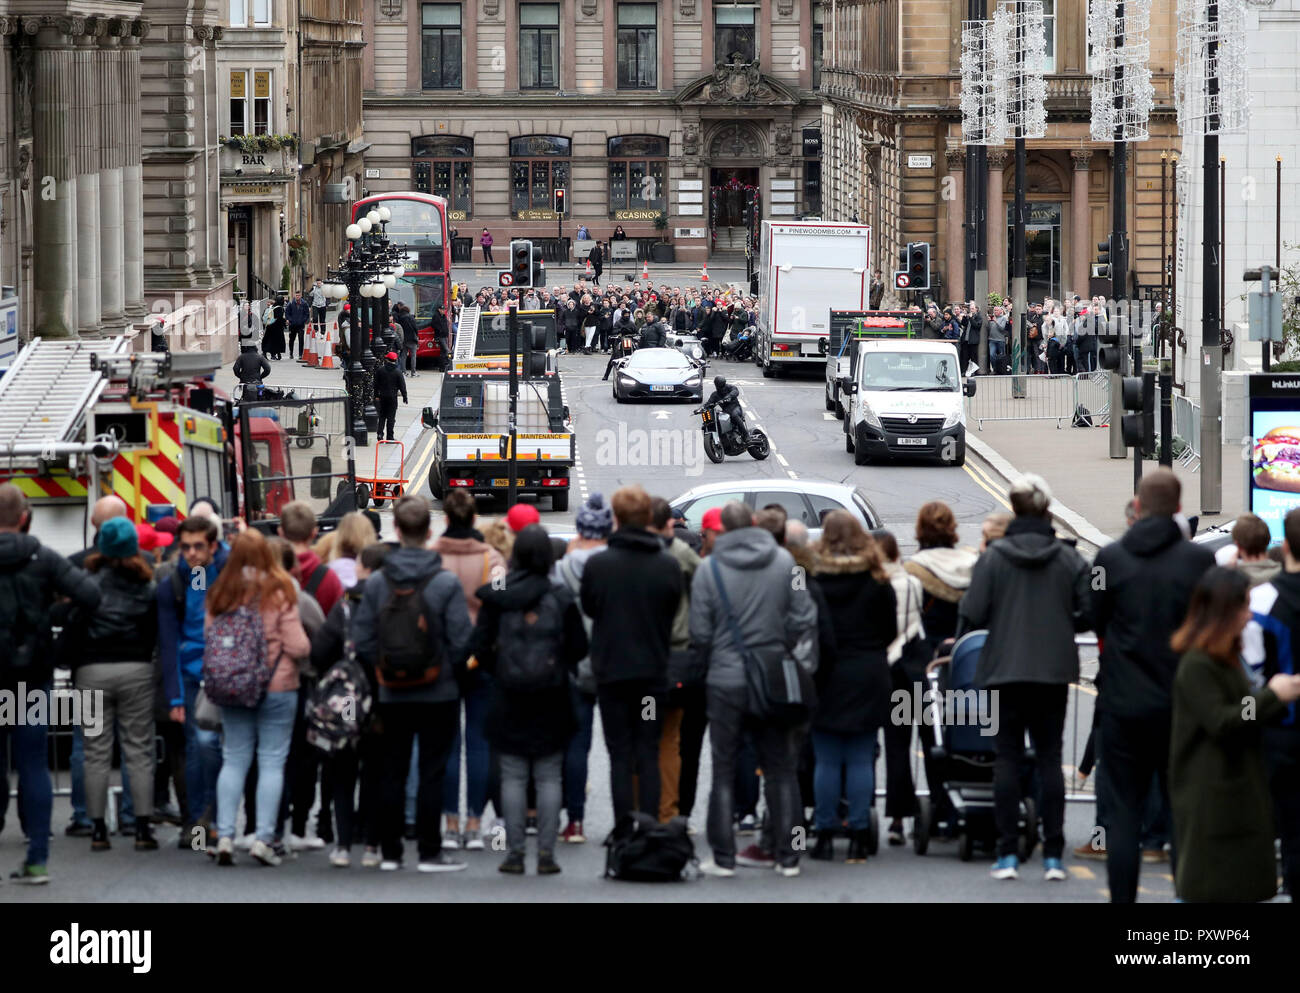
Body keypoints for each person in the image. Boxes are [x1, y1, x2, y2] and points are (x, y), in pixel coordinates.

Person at [959, 474, 1092, 882]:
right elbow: (1088, 614)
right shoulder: (1070, 559)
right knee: (1050, 759)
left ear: (1013, 508)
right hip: (1052, 671)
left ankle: (1006, 855)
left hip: (1004, 669)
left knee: (1007, 759)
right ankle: (1053, 855)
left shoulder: (994, 557)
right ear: (1047, 508)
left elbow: (973, 612)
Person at [1090, 469, 1215, 902]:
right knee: (1182, 809)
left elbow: (1095, 614)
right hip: (1182, 703)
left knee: (1123, 812)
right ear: (1179, 509)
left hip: (1124, 703)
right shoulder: (1200, 562)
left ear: (1138, 507)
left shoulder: (1108, 559)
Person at [690, 501, 819, 878]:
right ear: (753, 523)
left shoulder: (707, 570)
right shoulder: (784, 563)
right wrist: (786, 655)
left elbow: (699, 635)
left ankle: (725, 859)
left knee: (724, 769)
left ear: (721, 531)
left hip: (725, 681)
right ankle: (789, 856)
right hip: (774, 676)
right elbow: (804, 617)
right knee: (781, 769)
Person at [352, 495, 473, 872]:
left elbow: (363, 640)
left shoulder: (376, 583)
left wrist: (381, 673)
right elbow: (461, 641)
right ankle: (429, 851)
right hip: (439, 690)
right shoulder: (445, 582)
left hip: (391, 691)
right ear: (429, 531)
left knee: (393, 769)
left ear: (398, 531)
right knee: (432, 772)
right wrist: (454, 676)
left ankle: (390, 853)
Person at [1170, 567, 1300, 902]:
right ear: (1223, 613)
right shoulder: (1198, 664)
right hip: (1212, 795)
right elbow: (1221, 719)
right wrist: (1273, 696)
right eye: (1242, 607)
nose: (1248, 616)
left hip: (1234, 790)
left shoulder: (1226, 659)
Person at [472, 525, 588, 875]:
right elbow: (579, 648)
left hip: (509, 693)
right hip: (552, 693)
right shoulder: (560, 596)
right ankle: (547, 854)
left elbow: (480, 646)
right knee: (550, 775)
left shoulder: (500, 595)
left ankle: (515, 853)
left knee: (513, 776)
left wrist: (500, 670)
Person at [0, 484, 102, 883]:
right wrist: (53, 615)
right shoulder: (44, 559)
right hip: (32, 677)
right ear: (26, 517)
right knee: (33, 765)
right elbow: (91, 596)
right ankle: (37, 858)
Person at [53, 518, 160, 853]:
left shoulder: (86, 584)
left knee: (95, 752)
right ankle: (142, 826)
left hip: (92, 670)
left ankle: (97, 829)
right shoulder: (148, 583)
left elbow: (70, 622)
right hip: (136, 670)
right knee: (139, 749)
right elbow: (155, 628)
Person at [579, 485, 683, 824]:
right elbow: (670, 612)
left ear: (618, 519)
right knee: (648, 752)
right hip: (652, 677)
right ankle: (650, 827)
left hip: (612, 677)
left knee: (620, 756)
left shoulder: (599, 565)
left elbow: (591, 609)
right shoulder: (667, 566)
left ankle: (624, 830)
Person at [208, 531, 311, 866]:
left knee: (234, 758)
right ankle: (264, 839)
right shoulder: (279, 591)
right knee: (271, 761)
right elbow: (298, 647)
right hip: (277, 686)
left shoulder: (220, 592)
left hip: (233, 686)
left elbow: (210, 638)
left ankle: (224, 835)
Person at [808, 512, 896, 863]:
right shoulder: (877, 579)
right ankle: (859, 833)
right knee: (861, 757)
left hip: (826, 674)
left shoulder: (814, 578)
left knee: (827, 760)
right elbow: (889, 631)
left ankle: (825, 834)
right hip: (868, 672)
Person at [433, 488, 506, 851]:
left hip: (443, 659)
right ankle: (475, 825)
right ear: (474, 518)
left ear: (446, 519)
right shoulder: (492, 558)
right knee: (479, 743)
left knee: (448, 744)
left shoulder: (433, 558)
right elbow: (501, 603)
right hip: (482, 658)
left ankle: (449, 824)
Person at [311, 541, 390, 868]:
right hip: (383, 697)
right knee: (376, 772)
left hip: (348, 699)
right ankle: (372, 846)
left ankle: (343, 846)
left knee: (342, 771)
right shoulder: (392, 601)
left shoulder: (345, 604)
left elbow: (319, 651)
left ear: (364, 568)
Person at [159, 514, 229, 847]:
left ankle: (226, 821)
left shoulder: (232, 574)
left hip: (229, 672)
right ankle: (201, 825)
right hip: (191, 675)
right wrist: (173, 697)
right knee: (198, 747)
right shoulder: (172, 583)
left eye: (198, 546)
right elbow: (168, 641)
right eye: (185, 546)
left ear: (213, 545)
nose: (191, 553)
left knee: (224, 749)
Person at [1241, 507, 1300, 900]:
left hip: (1281, 731)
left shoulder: (1261, 599)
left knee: (1287, 827)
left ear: (1286, 545)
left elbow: (1251, 670)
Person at [551, 494, 613, 843]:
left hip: (574, 664)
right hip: (614, 662)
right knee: (625, 746)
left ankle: (574, 822)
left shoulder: (562, 568)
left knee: (576, 745)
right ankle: (628, 822)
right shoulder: (616, 565)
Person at [649, 496, 703, 824]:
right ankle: (676, 814)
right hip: (683, 661)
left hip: (642, 662)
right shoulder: (690, 554)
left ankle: (640, 814)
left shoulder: (630, 555)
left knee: (642, 742)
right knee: (679, 743)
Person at [878, 529, 926, 846]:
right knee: (906, 746)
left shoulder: (872, 587)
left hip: (879, 671)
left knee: (875, 748)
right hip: (909, 669)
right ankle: (904, 819)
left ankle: (866, 813)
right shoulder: (914, 584)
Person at [1218, 513, 1282, 588]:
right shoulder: (1284, 575)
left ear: (1238, 545)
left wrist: (1227, 572)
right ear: (1268, 540)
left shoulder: (1231, 582)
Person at [374, 351, 408, 443]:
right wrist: (405, 396)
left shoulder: (380, 370)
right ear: (395, 360)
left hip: (382, 397)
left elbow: (375, 384)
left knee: (382, 416)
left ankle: (380, 435)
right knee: (391, 418)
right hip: (392, 398)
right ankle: (390, 437)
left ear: (387, 359)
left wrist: (376, 395)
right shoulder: (398, 372)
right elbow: (402, 385)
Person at [394, 303, 420, 377]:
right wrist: (417, 335)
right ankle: (413, 372)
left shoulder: (399, 318)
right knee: (413, 356)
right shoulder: (411, 317)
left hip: (404, 339)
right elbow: (415, 328)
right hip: (412, 339)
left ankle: (404, 371)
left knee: (403, 356)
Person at [285, 290, 310, 361]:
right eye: (296, 295)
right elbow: (287, 313)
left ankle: (300, 354)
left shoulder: (304, 303)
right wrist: (289, 320)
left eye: (299, 295)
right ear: (294, 295)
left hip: (301, 325)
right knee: (291, 339)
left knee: (301, 339)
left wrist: (303, 320)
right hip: (292, 325)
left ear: (301, 295)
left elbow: (307, 314)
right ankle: (291, 353)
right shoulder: (290, 303)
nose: (297, 296)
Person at [262, 296, 287, 361]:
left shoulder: (272, 307)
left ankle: (266, 353)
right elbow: (279, 318)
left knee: (269, 341)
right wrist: (285, 322)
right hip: (277, 328)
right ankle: (276, 354)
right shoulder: (280, 308)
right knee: (277, 341)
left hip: (270, 327)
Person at [431, 302, 452, 372]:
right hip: (440, 336)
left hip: (444, 335)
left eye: (444, 309)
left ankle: (442, 367)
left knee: (443, 352)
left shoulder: (443, 316)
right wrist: (439, 330)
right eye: (442, 309)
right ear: (439, 309)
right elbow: (433, 325)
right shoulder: (436, 316)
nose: (443, 311)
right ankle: (447, 364)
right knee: (446, 350)